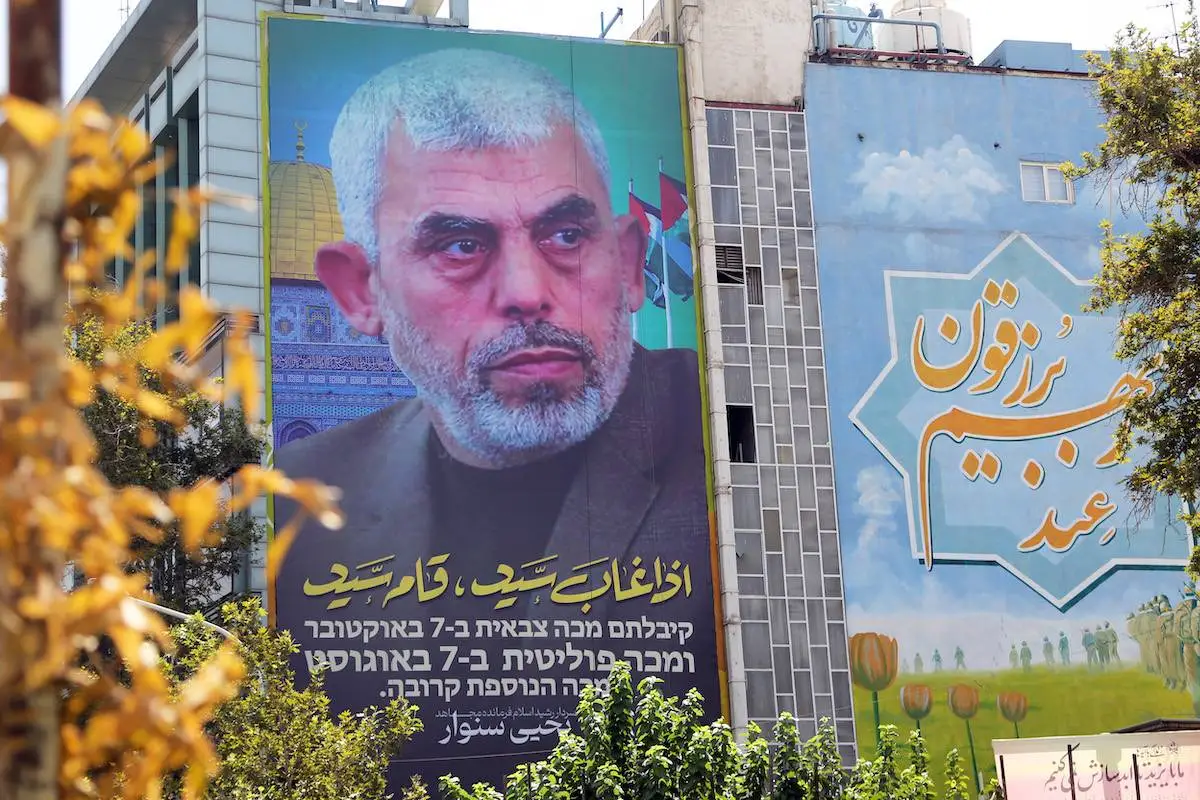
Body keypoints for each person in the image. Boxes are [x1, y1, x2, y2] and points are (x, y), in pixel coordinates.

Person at [272, 47, 716, 786]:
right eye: (461, 245)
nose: (526, 291)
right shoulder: (303, 503)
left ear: (630, 262)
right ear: (360, 292)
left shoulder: (730, 468)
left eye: (566, 236)